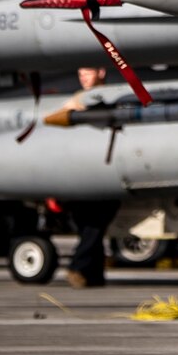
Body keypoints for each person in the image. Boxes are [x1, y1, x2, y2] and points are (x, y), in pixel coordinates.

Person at [60, 67, 121, 288]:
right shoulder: (77, 98)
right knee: (88, 225)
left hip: (106, 171)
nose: (82, 75)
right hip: (80, 172)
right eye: (80, 71)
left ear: (101, 72)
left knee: (95, 224)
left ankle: (77, 266)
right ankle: (94, 275)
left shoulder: (113, 96)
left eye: (88, 70)